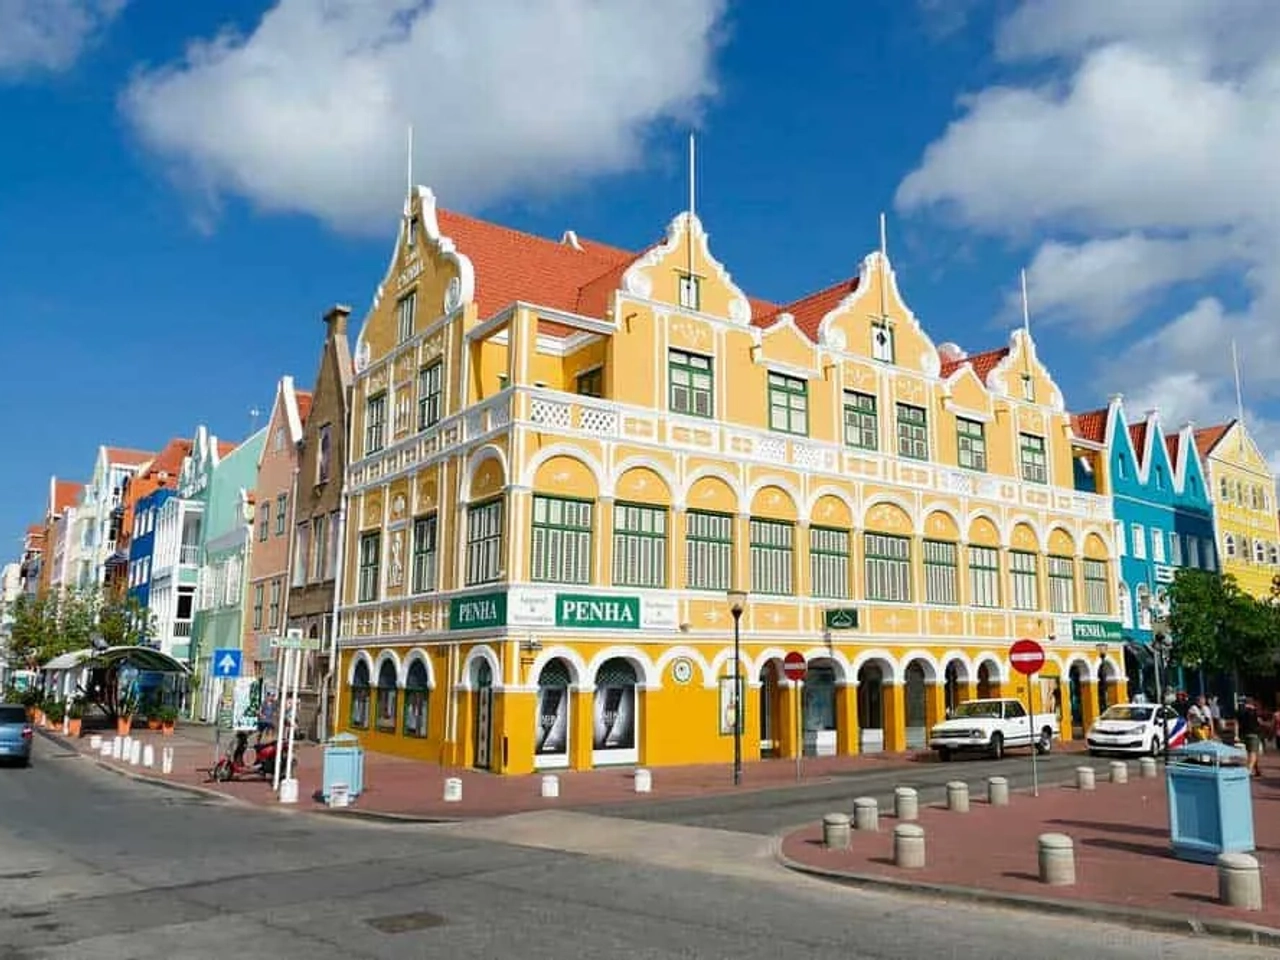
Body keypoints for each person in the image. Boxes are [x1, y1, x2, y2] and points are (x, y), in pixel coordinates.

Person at [1237, 697, 1264, 778]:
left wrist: (1236, 735)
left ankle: (1257, 770)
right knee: (1252, 754)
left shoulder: (1240, 712)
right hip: (1254, 734)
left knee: (1253, 752)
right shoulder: (1255, 711)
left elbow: (1237, 723)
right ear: (1252, 703)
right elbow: (1260, 722)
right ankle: (1247, 772)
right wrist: (1268, 725)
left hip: (1244, 735)